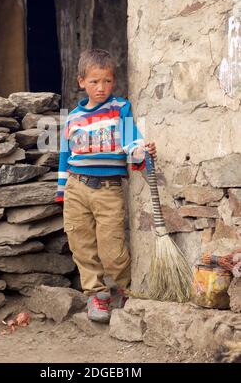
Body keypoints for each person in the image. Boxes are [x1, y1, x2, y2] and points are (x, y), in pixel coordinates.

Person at [56, 48, 156, 323]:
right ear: (81, 82)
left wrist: (141, 152)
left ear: (114, 81)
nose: (101, 88)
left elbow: (131, 139)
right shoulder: (73, 118)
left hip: (108, 190)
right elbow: (65, 156)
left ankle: (126, 287)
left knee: (112, 247)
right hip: (76, 187)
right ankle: (97, 295)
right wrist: (62, 190)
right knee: (81, 243)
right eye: (94, 82)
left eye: (107, 81)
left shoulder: (119, 109)